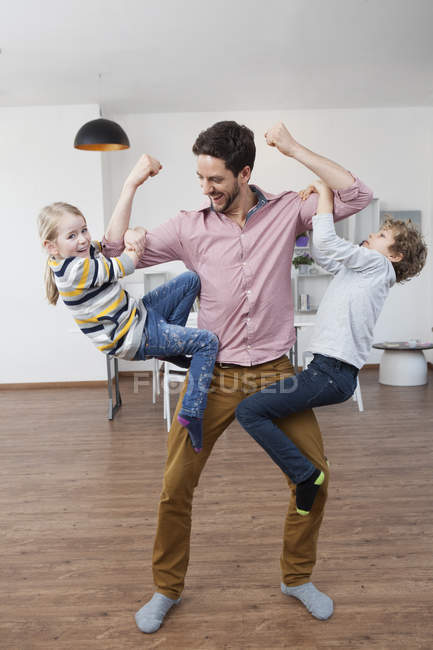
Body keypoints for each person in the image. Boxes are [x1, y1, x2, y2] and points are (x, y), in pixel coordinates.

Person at [101, 121, 374, 630]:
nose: (206, 189)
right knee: (175, 485)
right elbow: (114, 251)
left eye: (216, 180)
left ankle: (296, 576)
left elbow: (356, 193)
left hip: (275, 373)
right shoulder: (188, 226)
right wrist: (129, 187)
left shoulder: (289, 211)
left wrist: (293, 148)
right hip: (214, 376)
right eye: (200, 179)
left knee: (315, 476)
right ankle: (166, 588)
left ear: (245, 172)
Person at [236, 178, 427, 516]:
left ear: (394, 256)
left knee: (249, 411)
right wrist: (306, 219)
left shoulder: (379, 266)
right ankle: (307, 468)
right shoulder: (361, 271)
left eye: (381, 237)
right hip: (324, 373)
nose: (372, 235)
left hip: (330, 374)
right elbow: (321, 253)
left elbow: (328, 240)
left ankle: (306, 475)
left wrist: (324, 191)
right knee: (261, 404)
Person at [37, 155, 219, 452]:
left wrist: (135, 232)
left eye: (83, 230)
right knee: (207, 343)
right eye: (72, 236)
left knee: (190, 279)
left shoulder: (81, 256)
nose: (83, 240)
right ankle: (191, 413)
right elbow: (126, 262)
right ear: (51, 247)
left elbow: (112, 241)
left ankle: (169, 349)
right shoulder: (74, 271)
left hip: (141, 317)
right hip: (133, 337)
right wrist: (136, 241)